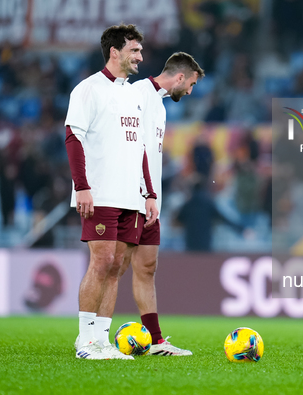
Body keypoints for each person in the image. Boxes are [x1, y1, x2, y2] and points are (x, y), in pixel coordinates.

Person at [96, 52, 205, 356]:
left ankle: (156, 341)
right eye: (192, 84)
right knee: (115, 266)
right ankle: (96, 338)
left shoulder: (159, 104)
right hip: (132, 197)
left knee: (147, 266)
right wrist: (144, 194)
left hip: (150, 201)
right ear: (180, 77)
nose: (191, 92)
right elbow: (128, 147)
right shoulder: (137, 94)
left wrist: (153, 196)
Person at [66, 24, 158, 360]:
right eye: (134, 50)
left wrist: (149, 193)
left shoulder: (133, 94)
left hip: (131, 196)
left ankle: (102, 340)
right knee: (101, 261)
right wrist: (82, 187)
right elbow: (73, 138)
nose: (141, 57)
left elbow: (142, 147)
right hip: (100, 192)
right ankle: (85, 341)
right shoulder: (88, 89)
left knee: (118, 264)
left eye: (140, 51)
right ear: (114, 52)